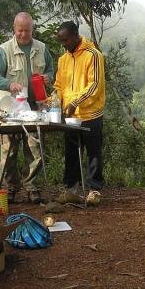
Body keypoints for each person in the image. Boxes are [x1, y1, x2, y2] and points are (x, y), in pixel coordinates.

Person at [0, 12, 54, 203]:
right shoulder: (5, 50)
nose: (23, 35)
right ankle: (10, 188)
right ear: (14, 29)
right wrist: (9, 84)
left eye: (27, 31)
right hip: (9, 109)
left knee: (36, 148)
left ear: (32, 29)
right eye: (20, 31)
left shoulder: (42, 48)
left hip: (35, 107)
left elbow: (50, 69)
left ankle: (31, 186)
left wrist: (47, 76)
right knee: (8, 150)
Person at [53, 20, 106, 206]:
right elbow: (59, 85)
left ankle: (94, 191)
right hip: (71, 116)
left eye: (66, 40)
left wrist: (76, 102)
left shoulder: (93, 55)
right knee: (71, 153)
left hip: (91, 113)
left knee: (93, 153)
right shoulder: (63, 59)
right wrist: (54, 101)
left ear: (76, 35)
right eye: (61, 41)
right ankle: (71, 190)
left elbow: (96, 85)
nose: (64, 44)